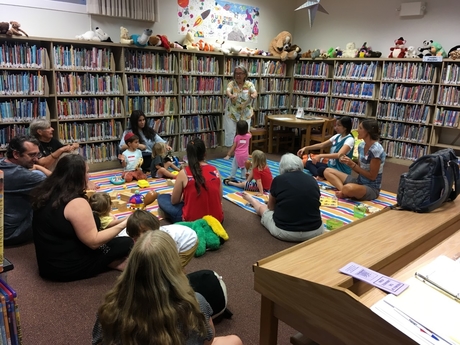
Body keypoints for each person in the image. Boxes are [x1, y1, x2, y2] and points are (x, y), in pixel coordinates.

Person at [92, 230, 243, 345]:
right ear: (174, 265)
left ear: (132, 266)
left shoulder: (109, 308)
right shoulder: (195, 303)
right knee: (234, 341)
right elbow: (208, 340)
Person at [31, 154, 133, 282]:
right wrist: (124, 224)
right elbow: (93, 242)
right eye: (87, 172)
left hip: (48, 264)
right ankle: (112, 262)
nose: (89, 176)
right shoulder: (75, 202)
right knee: (124, 243)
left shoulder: (46, 192)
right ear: (78, 176)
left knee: (107, 243)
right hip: (66, 268)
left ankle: (111, 261)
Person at [242, 153, 323, 242]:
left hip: (285, 231)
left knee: (263, 209)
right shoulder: (312, 180)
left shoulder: (278, 180)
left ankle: (252, 200)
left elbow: (271, 207)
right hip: (315, 231)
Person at [157, 138, 224, 224]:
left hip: (192, 223)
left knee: (162, 198)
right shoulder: (215, 170)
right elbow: (219, 198)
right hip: (217, 221)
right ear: (205, 154)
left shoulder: (184, 173)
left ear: (188, 155)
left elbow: (174, 201)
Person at [1, 135, 51, 246]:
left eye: (38, 154)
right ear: (16, 154)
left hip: (3, 226)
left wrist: (38, 167)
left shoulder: (3, 164)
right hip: (12, 233)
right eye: (31, 155)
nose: (36, 159)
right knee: (54, 200)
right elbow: (61, 183)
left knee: (38, 175)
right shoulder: (24, 176)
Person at [324, 119, 386, 201]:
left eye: (360, 128)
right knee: (327, 171)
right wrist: (349, 162)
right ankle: (344, 191)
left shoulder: (376, 150)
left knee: (348, 188)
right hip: (359, 181)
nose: (357, 130)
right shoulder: (361, 145)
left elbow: (372, 176)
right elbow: (360, 170)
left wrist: (352, 164)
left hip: (371, 188)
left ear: (368, 131)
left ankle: (345, 191)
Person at [126, 209, 198, 268]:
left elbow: (171, 254)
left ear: (154, 227)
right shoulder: (137, 236)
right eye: (136, 236)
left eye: (145, 232)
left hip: (188, 241)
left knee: (174, 268)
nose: (141, 237)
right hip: (179, 237)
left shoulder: (164, 240)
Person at [223, 65, 257, 147]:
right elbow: (228, 91)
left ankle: (243, 151)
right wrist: (230, 95)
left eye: (240, 73)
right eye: (236, 73)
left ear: (245, 74)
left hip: (245, 113)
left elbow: (255, 92)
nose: (238, 75)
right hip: (232, 113)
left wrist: (254, 95)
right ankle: (229, 152)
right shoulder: (231, 84)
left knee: (245, 133)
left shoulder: (249, 84)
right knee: (230, 132)